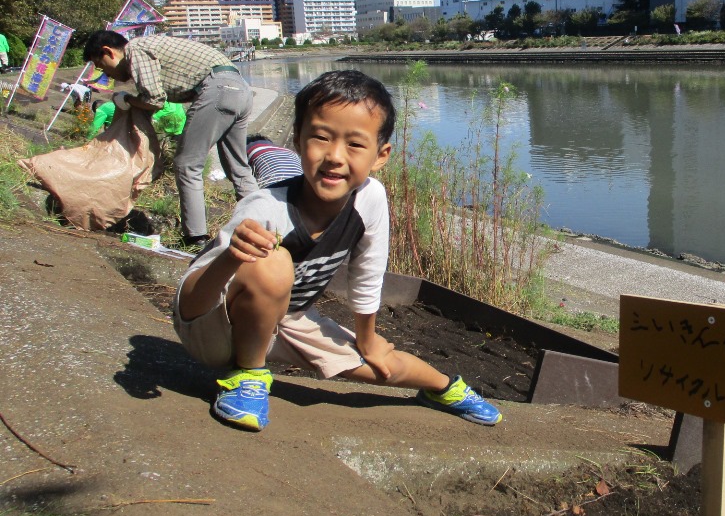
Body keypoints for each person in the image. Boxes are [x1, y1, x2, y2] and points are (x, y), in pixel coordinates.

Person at [172, 70, 502, 431]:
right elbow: (189, 305)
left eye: (355, 144)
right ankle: (248, 377)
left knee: (380, 363)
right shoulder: (264, 209)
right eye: (321, 138)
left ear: (381, 155)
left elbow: (368, 271)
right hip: (216, 332)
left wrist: (367, 338)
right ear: (297, 140)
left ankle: (444, 388)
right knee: (273, 263)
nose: (334, 157)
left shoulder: (370, 197)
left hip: (286, 322)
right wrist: (232, 257)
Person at [83, 31, 258, 247]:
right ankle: (266, 229)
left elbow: (155, 100)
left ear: (108, 52)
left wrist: (127, 99)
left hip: (219, 90)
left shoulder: (134, 50)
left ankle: (196, 238)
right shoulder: (148, 47)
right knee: (238, 167)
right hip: (240, 90)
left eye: (101, 66)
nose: (106, 75)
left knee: (187, 165)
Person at [87, 99, 187, 140]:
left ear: (96, 108)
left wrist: (87, 140)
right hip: (179, 118)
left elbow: (94, 127)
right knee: (174, 141)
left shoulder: (101, 109)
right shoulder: (112, 104)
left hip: (159, 117)